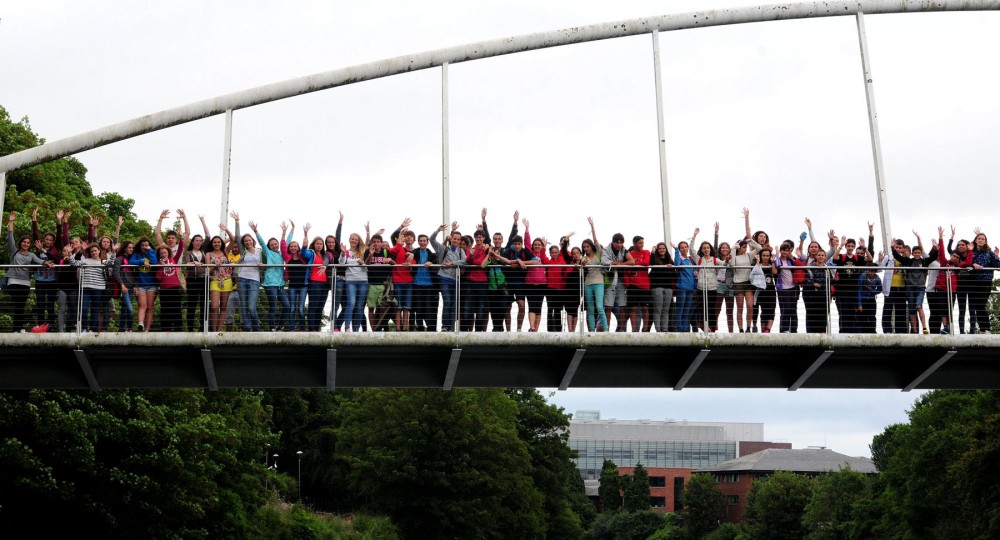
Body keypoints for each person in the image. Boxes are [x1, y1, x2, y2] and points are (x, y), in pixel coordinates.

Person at [6, 212, 52, 331]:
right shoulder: (14, 252)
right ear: (20, 243)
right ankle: (18, 328)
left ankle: (18, 329)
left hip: (25, 283)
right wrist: (11, 221)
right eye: (24, 242)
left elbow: (39, 261)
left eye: (28, 242)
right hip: (13, 281)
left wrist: (47, 263)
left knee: (21, 306)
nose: (26, 244)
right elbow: (10, 236)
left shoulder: (31, 255)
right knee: (19, 304)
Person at [252, 220, 291, 332]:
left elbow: (286, 242)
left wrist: (286, 231)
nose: (274, 245)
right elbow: (262, 243)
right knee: (273, 305)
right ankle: (272, 327)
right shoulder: (268, 253)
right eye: (272, 244)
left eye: (276, 244)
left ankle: (281, 326)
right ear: (269, 246)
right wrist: (256, 231)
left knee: (287, 306)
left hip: (280, 284)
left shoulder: (282, 254)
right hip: (270, 284)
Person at [69, 244, 114, 332]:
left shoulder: (103, 262)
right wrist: (70, 253)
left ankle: (93, 329)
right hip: (86, 287)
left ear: (99, 251)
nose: (94, 252)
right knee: (84, 309)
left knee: (95, 309)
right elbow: (74, 263)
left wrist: (113, 251)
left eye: (95, 250)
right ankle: (84, 327)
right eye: (92, 251)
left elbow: (111, 262)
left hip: (99, 288)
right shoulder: (86, 260)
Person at [430, 223, 465, 332]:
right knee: (447, 301)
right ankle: (445, 326)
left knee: (454, 304)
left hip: (455, 280)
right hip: (444, 278)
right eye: (454, 238)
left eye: (458, 239)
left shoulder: (461, 251)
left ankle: (451, 327)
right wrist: (438, 230)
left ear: (460, 241)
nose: (456, 241)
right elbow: (432, 240)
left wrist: (452, 263)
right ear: (451, 239)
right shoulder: (443, 248)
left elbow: (464, 261)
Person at [230, 213, 262, 332]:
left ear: (253, 241)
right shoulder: (243, 252)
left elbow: (264, 268)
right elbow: (237, 237)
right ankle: (248, 330)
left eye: (249, 240)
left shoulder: (260, 252)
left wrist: (261, 266)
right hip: (242, 279)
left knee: (251, 307)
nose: (247, 242)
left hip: (254, 281)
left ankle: (257, 329)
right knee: (243, 307)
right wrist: (237, 221)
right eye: (245, 241)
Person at [181, 215, 211, 331]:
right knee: (192, 305)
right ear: (192, 242)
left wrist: (203, 221)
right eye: (196, 240)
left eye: (200, 241)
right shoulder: (188, 252)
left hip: (203, 280)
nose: (198, 242)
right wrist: (196, 264)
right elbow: (188, 264)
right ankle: (190, 329)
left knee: (204, 305)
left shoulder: (204, 251)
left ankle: (202, 328)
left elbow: (208, 236)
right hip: (192, 280)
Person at [601, 232, 635, 331]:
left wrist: (618, 264)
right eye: (617, 243)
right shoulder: (606, 249)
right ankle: (606, 329)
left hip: (621, 280)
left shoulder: (624, 249)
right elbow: (604, 261)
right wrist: (617, 263)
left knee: (622, 305)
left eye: (621, 243)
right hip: (609, 279)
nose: (619, 245)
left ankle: (622, 329)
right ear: (613, 242)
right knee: (608, 306)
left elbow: (632, 261)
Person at [968, 230, 1000, 334]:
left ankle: (986, 329)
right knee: (977, 306)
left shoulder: (989, 252)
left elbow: (998, 267)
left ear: (985, 241)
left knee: (981, 305)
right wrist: (973, 265)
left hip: (985, 281)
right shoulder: (971, 251)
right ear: (975, 240)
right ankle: (983, 329)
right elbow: (966, 263)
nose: (981, 240)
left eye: (983, 239)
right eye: (979, 238)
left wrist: (996, 256)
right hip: (973, 282)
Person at [582, 217, 609, 332]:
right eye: (584, 247)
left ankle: (606, 329)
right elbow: (580, 263)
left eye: (587, 246)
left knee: (599, 306)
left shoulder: (598, 252)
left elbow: (595, 239)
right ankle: (592, 331)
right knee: (591, 309)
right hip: (588, 283)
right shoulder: (584, 257)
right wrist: (582, 263)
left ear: (591, 246)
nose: (586, 248)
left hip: (599, 282)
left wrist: (592, 226)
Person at [129, 236, 159, 332]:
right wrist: (142, 262)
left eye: (146, 245)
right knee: (142, 305)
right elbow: (131, 261)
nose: (144, 247)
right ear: (139, 246)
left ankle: (147, 330)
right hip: (141, 284)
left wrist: (150, 250)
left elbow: (154, 262)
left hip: (151, 284)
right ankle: (140, 323)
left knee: (150, 307)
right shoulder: (136, 254)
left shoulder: (152, 253)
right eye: (143, 245)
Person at [281, 222, 307, 331]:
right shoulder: (287, 257)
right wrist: (284, 232)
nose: (293, 248)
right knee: (292, 308)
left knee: (300, 309)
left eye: (295, 246)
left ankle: (302, 329)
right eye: (291, 246)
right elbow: (282, 246)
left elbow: (305, 246)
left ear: (298, 247)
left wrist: (305, 233)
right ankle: (292, 329)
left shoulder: (303, 256)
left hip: (303, 286)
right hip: (292, 286)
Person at [672, 230, 698, 332]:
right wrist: (676, 251)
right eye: (682, 247)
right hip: (682, 288)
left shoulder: (690, 260)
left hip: (691, 289)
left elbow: (694, 274)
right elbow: (677, 265)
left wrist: (695, 287)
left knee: (687, 311)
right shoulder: (681, 259)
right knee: (680, 309)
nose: (684, 249)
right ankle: (680, 329)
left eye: (685, 247)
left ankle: (686, 330)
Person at [625, 235, 652, 332]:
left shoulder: (646, 252)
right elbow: (626, 269)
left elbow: (646, 262)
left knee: (645, 308)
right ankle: (634, 329)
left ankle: (645, 329)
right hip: (632, 285)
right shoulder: (629, 254)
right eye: (640, 243)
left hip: (644, 285)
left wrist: (633, 263)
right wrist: (627, 283)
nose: (642, 245)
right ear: (634, 244)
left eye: (643, 243)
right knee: (633, 308)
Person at [155, 244, 184, 331]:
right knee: (165, 310)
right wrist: (162, 266)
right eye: (161, 253)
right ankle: (165, 330)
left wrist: (181, 238)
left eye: (165, 252)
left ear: (168, 253)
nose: (163, 254)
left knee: (176, 309)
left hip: (175, 288)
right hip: (164, 289)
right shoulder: (158, 264)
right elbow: (158, 278)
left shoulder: (173, 260)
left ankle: (178, 330)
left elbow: (180, 250)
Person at [649, 241, 674, 332]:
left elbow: (674, 273)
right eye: (660, 248)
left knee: (665, 310)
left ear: (666, 249)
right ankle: (658, 329)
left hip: (668, 287)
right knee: (657, 309)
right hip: (657, 286)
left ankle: (665, 329)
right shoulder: (654, 258)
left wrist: (671, 267)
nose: (662, 250)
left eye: (663, 248)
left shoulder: (669, 260)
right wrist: (652, 252)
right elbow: (651, 264)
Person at [113, 241, 137, 332]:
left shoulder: (131, 259)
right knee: (130, 309)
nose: (131, 249)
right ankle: (129, 327)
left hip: (131, 287)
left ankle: (122, 329)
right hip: (124, 287)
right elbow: (116, 273)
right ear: (124, 248)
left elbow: (134, 274)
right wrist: (122, 285)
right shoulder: (119, 259)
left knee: (125, 309)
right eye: (129, 247)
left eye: (132, 248)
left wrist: (135, 286)